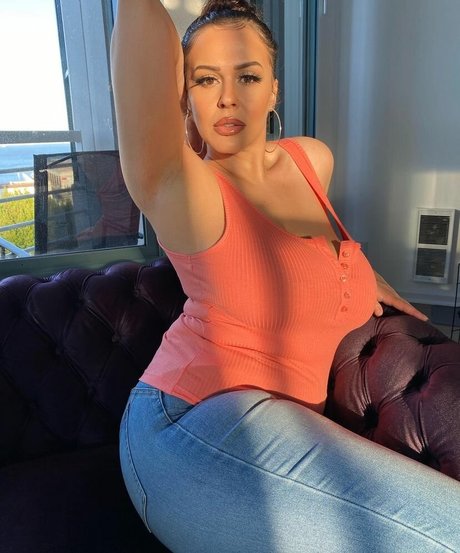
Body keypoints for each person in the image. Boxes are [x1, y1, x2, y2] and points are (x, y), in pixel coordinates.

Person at [111, 1, 460, 552]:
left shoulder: (311, 160)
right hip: (185, 423)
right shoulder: (186, 192)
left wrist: (361, 276)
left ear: (274, 90)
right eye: (206, 80)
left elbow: (310, 262)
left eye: (247, 76)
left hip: (284, 427)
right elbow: (140, 27)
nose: (228, 98)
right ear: (186, 97)